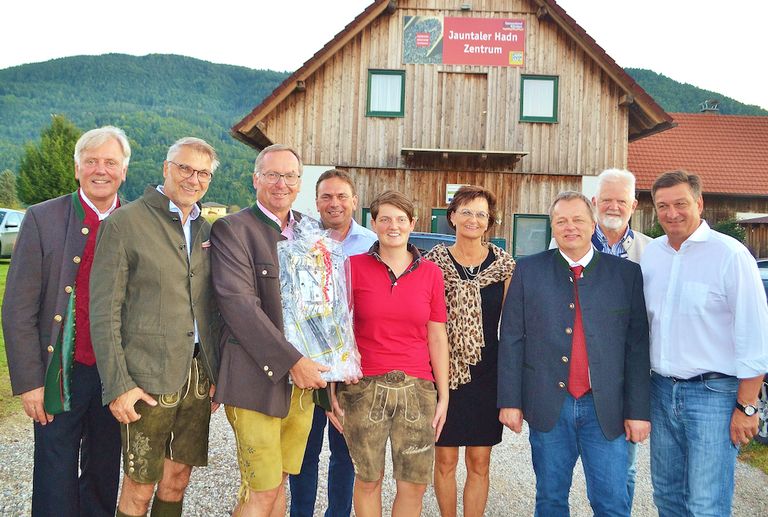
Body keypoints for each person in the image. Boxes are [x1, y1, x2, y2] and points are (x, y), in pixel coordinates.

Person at [89, 137, 221, 517]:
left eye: (202, 173)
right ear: (166, 168)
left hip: (195, 376)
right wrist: (118, 385)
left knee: (178, 478)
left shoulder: (206, 231)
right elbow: (104, 312)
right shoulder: (125, 223)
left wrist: (213, 370)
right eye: (184, 168)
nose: (193, 179)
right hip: (144, 379)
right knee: (139, 487)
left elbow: (209, 307)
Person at [498, 191, 650, 517]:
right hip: (550, 406)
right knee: (550, 500)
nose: (570, 227)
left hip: (605, 408)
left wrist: (638, 411)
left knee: (611, 502)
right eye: (561, 221)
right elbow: (511, 338)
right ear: (551, 226)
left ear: (593, 223)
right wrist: (510, 401)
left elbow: (637, 348)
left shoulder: (625, 275)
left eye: (578, 219)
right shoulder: (528, 271)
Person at [2, 126, 129, 517]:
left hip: (114, 374)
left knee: (105, 467)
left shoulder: (138, 221)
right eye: (91, 161)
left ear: (124, 170)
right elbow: (18, 306)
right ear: (77, 169)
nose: (100, 170)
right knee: (54, 470)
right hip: (58, 369)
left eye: (110, 162)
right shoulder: (43, 217)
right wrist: (29, 381)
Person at [210, 144, 329, 517]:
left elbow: (325, 303)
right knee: (259, 490)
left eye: (290, 176)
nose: (282, 183)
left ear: (299, 182)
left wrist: (332, 358)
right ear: (256, 179)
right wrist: (294, 361)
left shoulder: (310, 230)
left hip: (302, 382)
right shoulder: (232, 229)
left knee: (278, 484)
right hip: (254, 379)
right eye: (272, 175)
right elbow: (239, 306)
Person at [641, 170, 768, 516]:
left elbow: (755, 335)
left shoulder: (730, 254)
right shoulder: (652, 255)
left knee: (706, 503)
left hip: (714, 395)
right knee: (667, 496)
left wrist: (747, 407)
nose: (671, 213)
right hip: (662, 391)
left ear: (699, 203)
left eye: (680, 203)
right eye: (662, 205)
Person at [331, 190, 449, 517]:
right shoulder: (352, 267)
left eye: (400, 219)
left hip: (418, 389)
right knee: (368, 479)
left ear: (412, 223)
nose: (392, 226)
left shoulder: (431, 274)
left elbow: (437, 335)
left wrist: (444, 396)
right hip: (362, 387)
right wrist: (331, 389)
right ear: (374, 222)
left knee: (413, 484)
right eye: (385, 219)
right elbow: (337, 331)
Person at [289, 169, 376, 517]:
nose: (334, 203)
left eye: (342, 196)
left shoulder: (373, 244)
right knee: (304, 452)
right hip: (309, 364)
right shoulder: (300, 242)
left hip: (354, 366)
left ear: (355, 201)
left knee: (345, 454)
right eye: (327, 196)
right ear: (316, 202)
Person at [424, 186, 515, 517]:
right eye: (466, 212)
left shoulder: (505, 267)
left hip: (487, 374)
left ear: (489, 221)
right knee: (445, 459)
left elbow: (513, 326)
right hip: (444, 374)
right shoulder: (432, 264)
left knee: (480, 459)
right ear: (452, 216)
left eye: (481, 214)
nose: (473, 219)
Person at [590, 167, 651, 506]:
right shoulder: (570, 243)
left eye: (621, 201)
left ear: (634, 204)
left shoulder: (651, 252)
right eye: (607, 200)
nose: (613, 207)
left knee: (623, 467)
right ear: (595, 201)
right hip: (581, 373)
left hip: (627, 373)